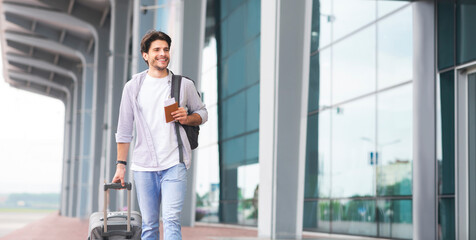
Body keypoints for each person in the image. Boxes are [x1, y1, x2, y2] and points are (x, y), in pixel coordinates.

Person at [112, 30, 207, 240]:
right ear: (145, 55)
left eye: (166, 49)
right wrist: (121, 165)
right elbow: (124, 129)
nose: (162, 53)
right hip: (144, 167)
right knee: (150, 225)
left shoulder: (183, 85)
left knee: (172, 219)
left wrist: (188, 118)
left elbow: (203, 113)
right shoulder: (133, 87)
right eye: (156, 50)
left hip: (174, 163)